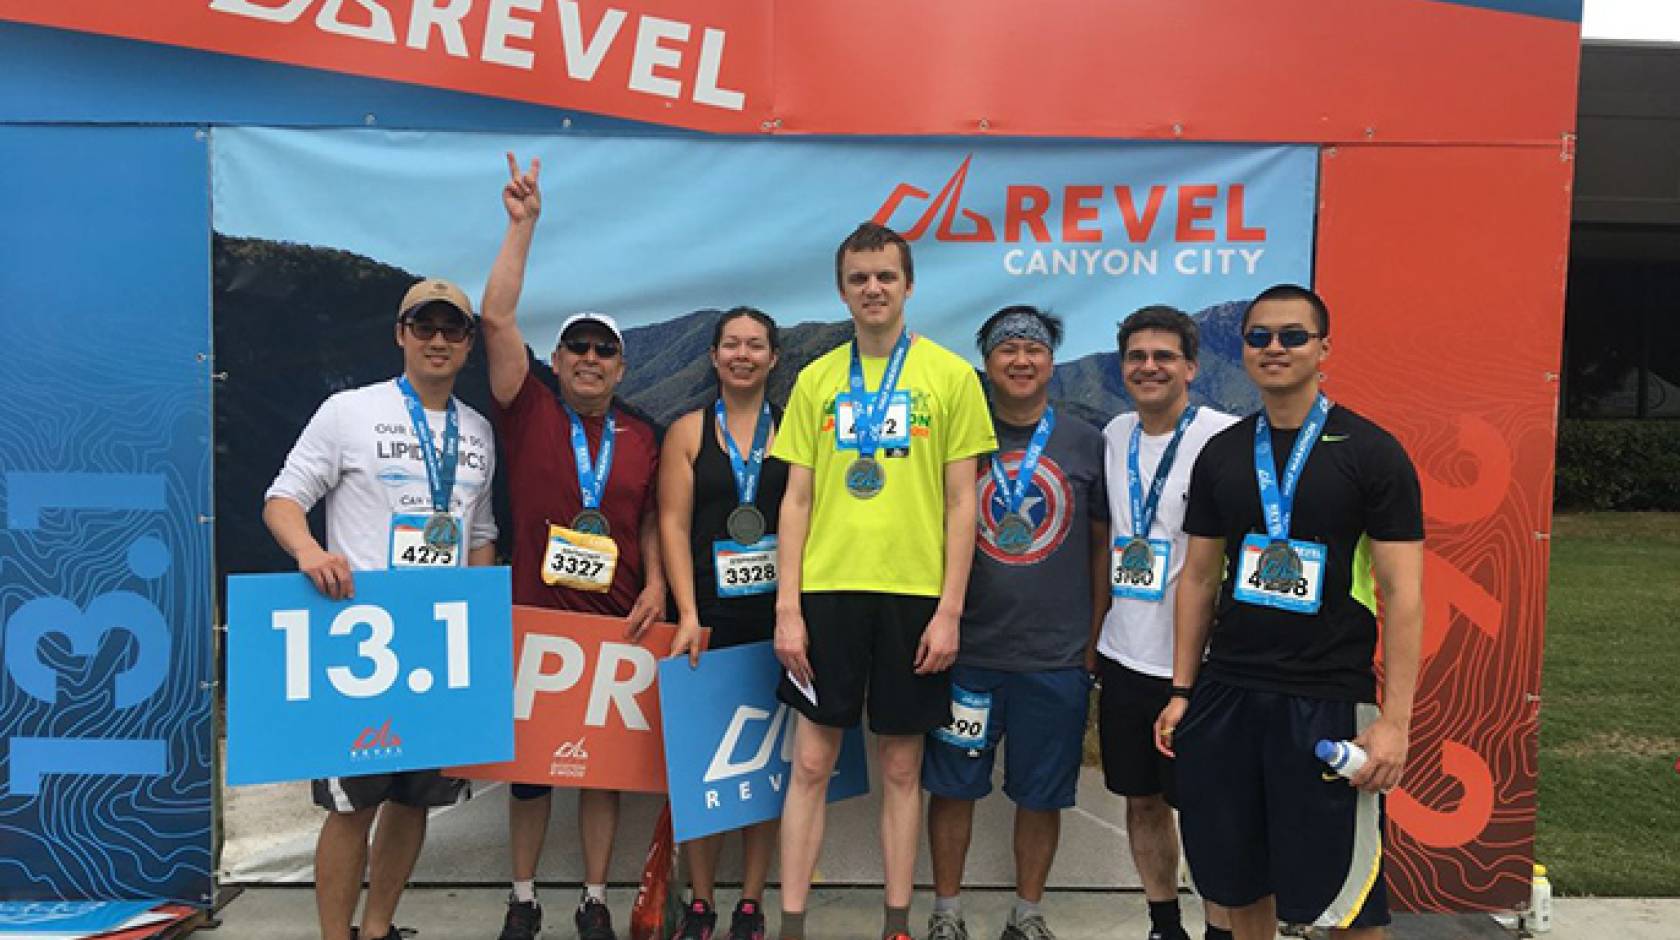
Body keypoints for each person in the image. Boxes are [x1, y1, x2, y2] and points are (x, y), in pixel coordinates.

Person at [1155, 284, 1425, 940]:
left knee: (1347, 897)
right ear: (1244, 350)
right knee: (1235, 881)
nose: (1275, 348)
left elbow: (1406, 595)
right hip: (1230, 694)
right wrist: (1184, 690)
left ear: (1323, 348)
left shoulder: (1371, 452)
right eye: (1259, 337)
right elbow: (1197, 580)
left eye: (1292, 336)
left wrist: (1394, 723)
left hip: (1327, 698)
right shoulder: (1223, 452)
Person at [771, 222, 996, 940]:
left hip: (914, 597)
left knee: (902, 769)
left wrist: (950, 611)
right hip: (828, 594)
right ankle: (794, 922)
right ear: (842, 289)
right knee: (811, 761)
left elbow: (964, 504)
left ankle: (897, 921)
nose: (873, 288)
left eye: (885, 277)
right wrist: (788, 609)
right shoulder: (816, 378)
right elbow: (796, 499)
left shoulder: (951, 377)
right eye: (859, 277)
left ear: (909, 285)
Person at [262, 278, 498, 940]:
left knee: (414, 799)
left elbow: (480, 535)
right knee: (351, 805)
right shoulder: (348, 411)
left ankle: (378, 928)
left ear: (469, 344)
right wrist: (310, 551)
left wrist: (476, 618)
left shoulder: (477, 432)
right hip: (359, 641)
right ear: (400, 334)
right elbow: (283, 499)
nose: (438, 341)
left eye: (453, 330)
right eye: (424, 326)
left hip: (438, 644)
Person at [481, 153, 667, 940]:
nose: (590, 359)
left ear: (622, 366)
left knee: (603, 776)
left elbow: (655, 520)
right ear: (555, 362)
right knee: (529, 779)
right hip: (531, 619)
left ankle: (594, 895)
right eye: (576, 349)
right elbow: (494, 319)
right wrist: (523, 226)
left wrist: (658, 584)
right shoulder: (527, 409)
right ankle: (523, 895)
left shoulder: (642, 434)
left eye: (604, 351)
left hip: (615, 624)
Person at [921, 306, 1108, 940]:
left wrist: (1092, 640)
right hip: (966, 652)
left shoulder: (1088, 442)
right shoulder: (957, 435)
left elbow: (1101, 549)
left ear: (1052, 362)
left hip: (1055, 658)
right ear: (987, 363)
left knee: (1042, 794)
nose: (1021, 359)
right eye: (1006, 350)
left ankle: (1027, 914)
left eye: (1033, 348)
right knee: (953, 786)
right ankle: (946, 914)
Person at [1095, 306, 1236, 940]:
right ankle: (1163, 923)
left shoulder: (1225, 438)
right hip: (1126, 656)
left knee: (1208, 809)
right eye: (1136, 357)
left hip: (1200, 667)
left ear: (1191, 367)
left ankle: (1220, 928)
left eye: (1163, 357)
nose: (1148, 367)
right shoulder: (1115, 434)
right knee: (1141, 799)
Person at [656, 307, 787, 940]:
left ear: (773, 359)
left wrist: (799, 616)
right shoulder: (686, 432)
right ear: (712, 356)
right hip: (704, 622)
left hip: (778, 624)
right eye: (731, 344)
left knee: (764, 770)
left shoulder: (794, 433)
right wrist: (685, 613)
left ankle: (753, 902)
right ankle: (702, 900)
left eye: (755, 345)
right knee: (703, 768)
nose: (742, 354)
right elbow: (673, 526)